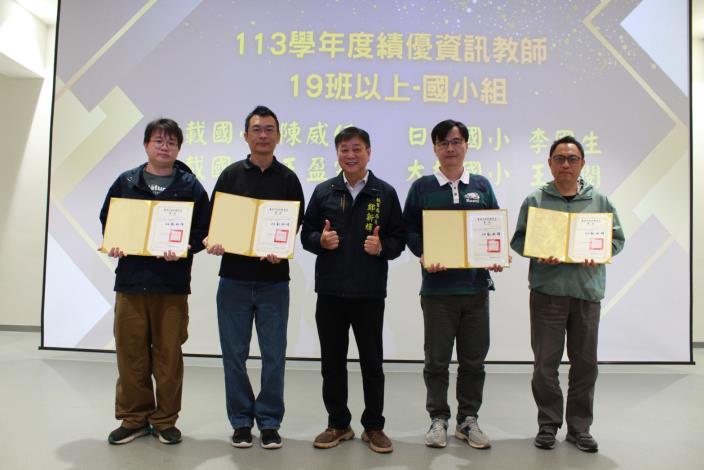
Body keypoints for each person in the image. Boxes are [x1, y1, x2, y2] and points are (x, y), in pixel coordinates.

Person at [510, 135, 625, 453]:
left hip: (586, 292)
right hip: (548, 293)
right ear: (549, 163)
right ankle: (548, 423)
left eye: (572, 159)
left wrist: (599, 252)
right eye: (559, 158)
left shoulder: (599, 201)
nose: (566, 164)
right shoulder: (536, 200)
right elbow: (518, 240)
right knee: (545, 365)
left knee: (585, 365)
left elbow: (617, 239)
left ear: (582, 164)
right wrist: (537, 251)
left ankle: (579, 428)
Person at [100, 118, 210, 445]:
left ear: (179, 148)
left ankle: (164, 420)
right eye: (158, 141)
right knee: (130, 354)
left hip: (171, 285)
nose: (165, 147)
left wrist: (185, 248)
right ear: (146, 144)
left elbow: (204, 231)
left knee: (168, 356)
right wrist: (114, 243)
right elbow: (109, 220)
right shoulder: (126, 182)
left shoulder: (190, 186)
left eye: (171, 142)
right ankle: (134, 418)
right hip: (131, 284)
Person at [205, 105, 305, 450]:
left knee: (274, 356)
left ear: (278, 135)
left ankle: (270, 421)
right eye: (257, 129)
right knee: (234, 355)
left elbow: (293, 224)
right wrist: (215, 241)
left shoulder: (288, 179)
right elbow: (215, 221)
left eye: (269, 129)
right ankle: (241, 421)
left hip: (274, 281)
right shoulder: (230, 175)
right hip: (233, 279)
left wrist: (280, 245)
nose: (263, 135)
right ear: (246, 135)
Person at [301, 126, 405, 454]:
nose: (350, 155)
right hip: (330, 292)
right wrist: (320, 241)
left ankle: (374, 426)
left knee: (372, 364)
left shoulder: (385, 193)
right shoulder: (324, 191)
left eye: (357, 148)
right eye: (344, 149)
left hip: (369, 293)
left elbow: (399, 239)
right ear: (337, 154)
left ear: (369, 152)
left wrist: (382, 247)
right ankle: (338, 423)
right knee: (332, 363)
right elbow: (306, 234)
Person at [403, 119, 504, 450]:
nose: (450, 148)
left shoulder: (482, 186)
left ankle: (468, 419)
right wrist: (425, 252)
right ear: (435, 148)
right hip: (437, 291)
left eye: (456, 141)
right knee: (437, 361)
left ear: (466, 146)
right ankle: (438, 418)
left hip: (475, 290)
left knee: (474, 361)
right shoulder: (422, 187)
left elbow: (493, 227)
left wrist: (495, 255)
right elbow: (409, 230)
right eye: (444, 142)